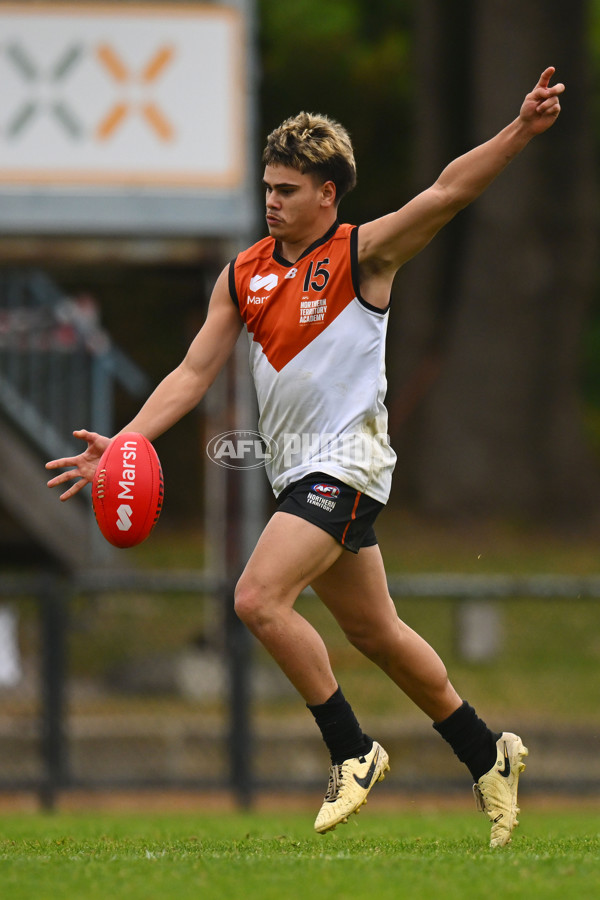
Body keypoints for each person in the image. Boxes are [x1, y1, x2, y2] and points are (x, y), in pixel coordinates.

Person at [46, 67, 564, 847]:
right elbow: (192, 373)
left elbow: (448, 192)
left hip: (347, 464)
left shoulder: (365, 255)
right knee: (376, 632)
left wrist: (520, 130)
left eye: (288, 188)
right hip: (299, 475)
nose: (272, 200)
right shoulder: (243, 275)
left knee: (256, 598)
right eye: (268, 186)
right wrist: (127, 443)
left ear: (329, 193)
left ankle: (353, 750)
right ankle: (487, 751)